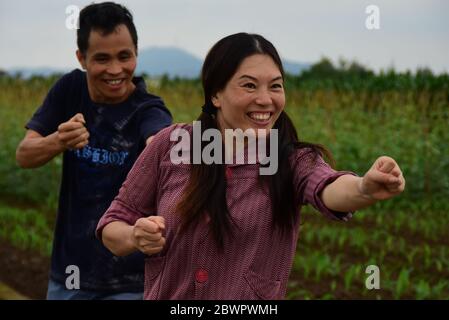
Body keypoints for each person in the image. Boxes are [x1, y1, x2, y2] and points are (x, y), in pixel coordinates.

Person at [96, 32, 405, 300]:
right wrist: (135, 236)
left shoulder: (290, 160)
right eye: (249, 86)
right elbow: (114, 224)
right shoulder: (171, 145)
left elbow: (329, 188)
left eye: (275, 86)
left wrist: (364, 187)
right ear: (216, 94)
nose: (265, 99)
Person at [15, 2, 172, 299]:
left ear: (136, 54)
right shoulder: (69, 90)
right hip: (70, 273)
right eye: (102, 59)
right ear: (82, 58)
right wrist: (58, 141)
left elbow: (161, 143)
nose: (115, 69)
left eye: (124, 56)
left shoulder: (148, 109)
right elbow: (24, 155)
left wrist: (165, 150)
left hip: (131, 279)